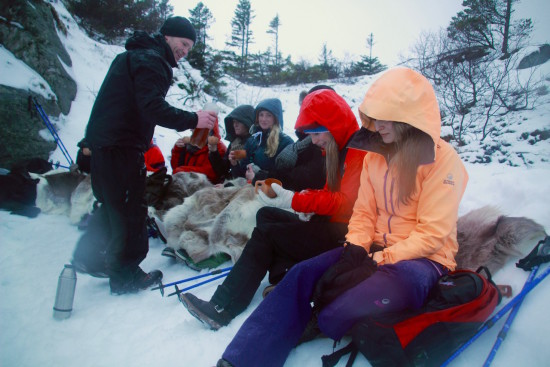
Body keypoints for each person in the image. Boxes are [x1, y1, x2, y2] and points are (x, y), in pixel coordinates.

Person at [213, 67, 469, 367]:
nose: (377, 126)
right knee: (301, 274)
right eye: (374, 117)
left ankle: (322, 318)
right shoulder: (377, 155)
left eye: (384, 118)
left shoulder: (443, 160)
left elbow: (433, 234)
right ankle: (242, 359)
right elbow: (362, 212)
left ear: (408, 117)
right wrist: (355, 249)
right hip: (373, 247)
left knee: (349, 302)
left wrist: (379, 260)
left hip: (425, 261)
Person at [179, 88, 367, 331]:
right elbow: (327, 190)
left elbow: (345, 203)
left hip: (343, 234)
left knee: (268, 234)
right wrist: (302, 201)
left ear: (333, 125)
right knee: (266, 215)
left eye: (317, 134)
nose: (314, 140)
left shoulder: (355, 153)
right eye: (310, 135)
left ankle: (222, 306)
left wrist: (295, 200)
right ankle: (283, 277)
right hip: (328, 222)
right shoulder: (335, 149)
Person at [73, 16, 218, 295]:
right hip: (122, 146)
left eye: (190, 47)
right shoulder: (153, 61)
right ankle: (126, 275)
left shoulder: (131, 56)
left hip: (104, 144)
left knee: (113, 204)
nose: (185, 51)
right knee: (131, 210)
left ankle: (89, 257)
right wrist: (194, 118)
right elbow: (152, 107)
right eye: (183, 43)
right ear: (167, 36)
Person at [231, 98, 294, 180]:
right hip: (248, 186)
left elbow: (286, 176)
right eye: (261, 115)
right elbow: (241, 172)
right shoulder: (251, 140)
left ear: (275, 118)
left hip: (271, 190)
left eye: (268, 115)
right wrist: (234, 164)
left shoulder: (286, 142)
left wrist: (258, 176)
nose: (264, 119)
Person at [170, 117, 227, 184]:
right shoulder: (188, 143)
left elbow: (211, 175)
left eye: (195, 126)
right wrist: (177, 150)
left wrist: (182, 171)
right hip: (183, 183)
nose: (191, 129)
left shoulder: (218, 147)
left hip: (205, 189)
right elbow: (175, 167)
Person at [208, 105, 255, 181]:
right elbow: (222, 170)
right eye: (234, 122)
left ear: (247, 123)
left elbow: (247, 177)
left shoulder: (255, 144)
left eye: (239, 122)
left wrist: (235, 165)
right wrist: (214, 152)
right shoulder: (235, 143)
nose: (235, 125)